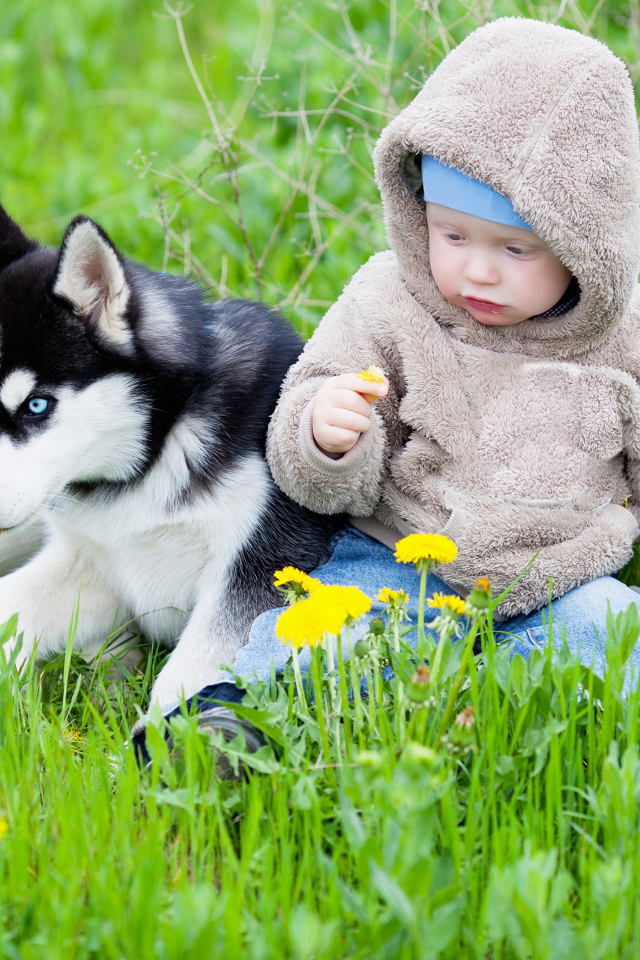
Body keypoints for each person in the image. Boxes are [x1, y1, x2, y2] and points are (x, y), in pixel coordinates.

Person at [133, 17, 640, 761]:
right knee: (328, 636)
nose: (477, 271)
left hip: (556, 579)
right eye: (454, 235)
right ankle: (240, 732)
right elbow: (307, 413)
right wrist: (325, 435)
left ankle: (481, 706)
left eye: (516, 248)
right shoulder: (387, 300)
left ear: (583, 244)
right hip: (399, 562)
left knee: (608, 629)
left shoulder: (621, 336)